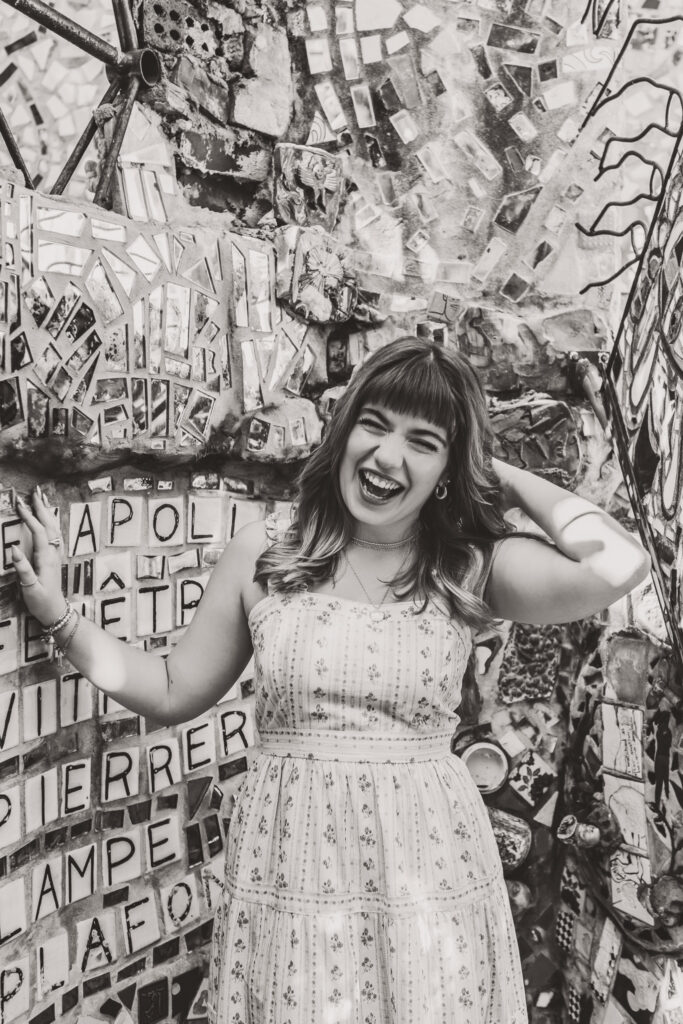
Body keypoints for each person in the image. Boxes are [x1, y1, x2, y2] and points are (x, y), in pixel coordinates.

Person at [13, 336, 650, 1024]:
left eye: (423, 441)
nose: (386, 456)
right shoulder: (268, 549)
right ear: (343, 432)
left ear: (446, 468)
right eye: (372, 425)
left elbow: (615, 565)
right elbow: (173, 688)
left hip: (429, 884)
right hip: (293, 879)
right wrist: (60, 618)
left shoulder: (466, 565)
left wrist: (498, 473)